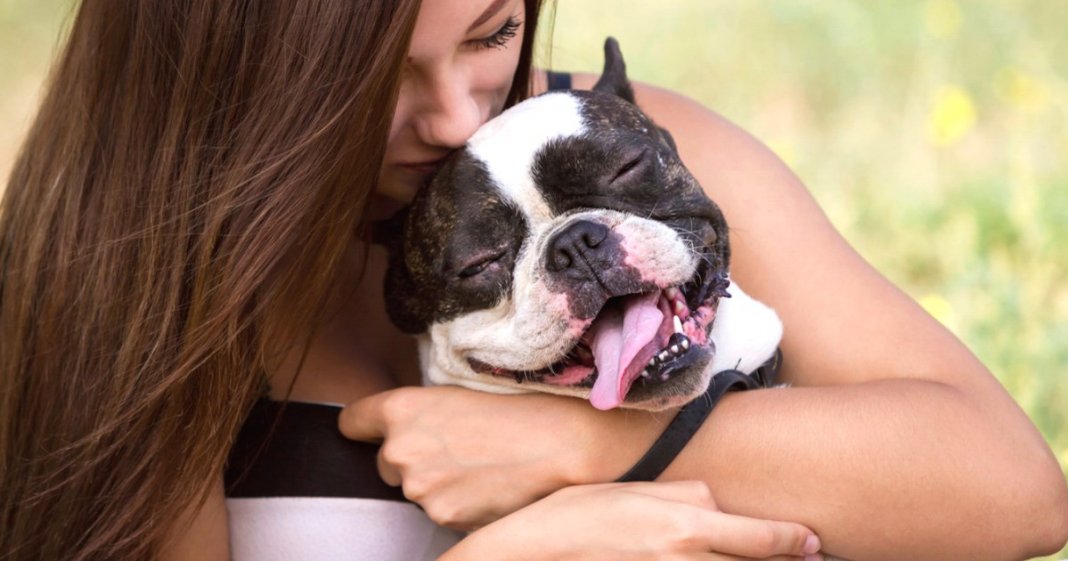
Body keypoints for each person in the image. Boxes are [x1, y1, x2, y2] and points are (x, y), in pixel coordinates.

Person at [0, 1, 1064, 560]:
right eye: (379, 83)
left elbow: (1008, 489)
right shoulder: (134, 289)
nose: (461, 117)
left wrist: (586, 441)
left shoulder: (618, 138)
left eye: (493, 35)